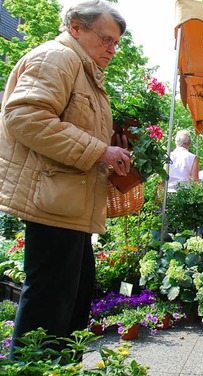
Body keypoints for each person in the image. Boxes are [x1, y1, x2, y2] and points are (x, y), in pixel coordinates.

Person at [0, 0, 128, 358]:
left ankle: (59, 366)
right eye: (105, 39)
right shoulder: (58, 58)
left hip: (66, 202)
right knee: (49, 303)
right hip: (52, 201)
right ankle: (33, 368)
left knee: (72, 298)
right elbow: (25, 117)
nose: (112, 50)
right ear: (75, 27)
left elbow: (67, 127)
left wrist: (111, 147)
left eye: (115, 43)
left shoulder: (79, 67)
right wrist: (100, 151)